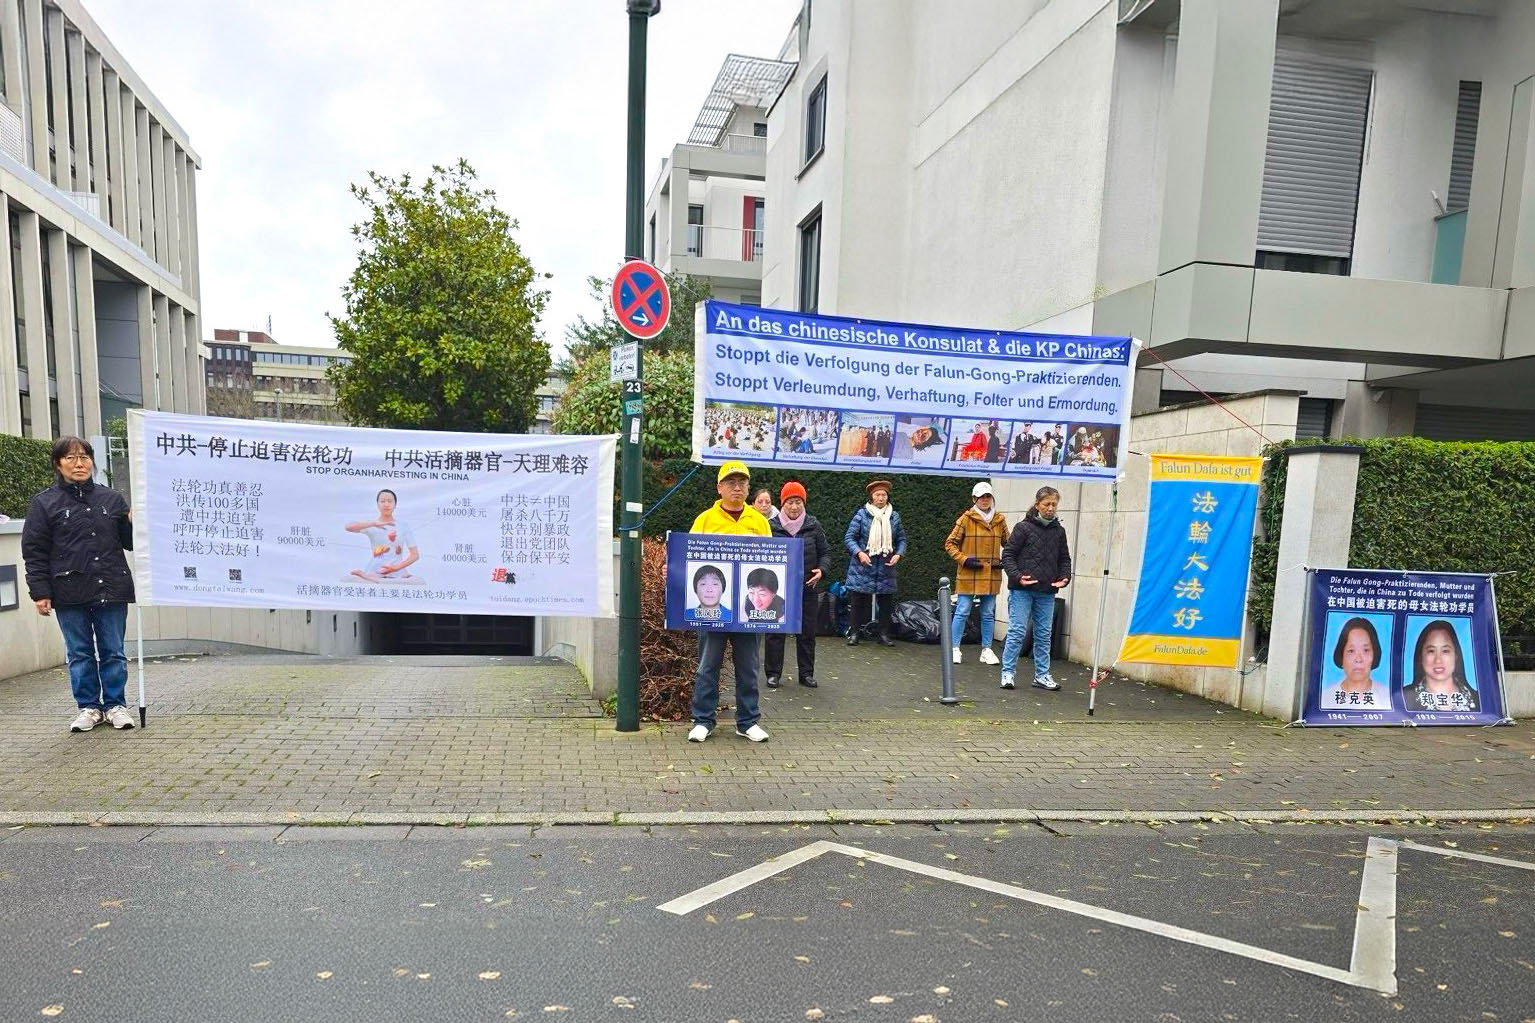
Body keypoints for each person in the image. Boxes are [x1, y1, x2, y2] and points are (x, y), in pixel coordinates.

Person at [22, 436, 137, 732]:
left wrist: (133, 522)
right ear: (58, 463)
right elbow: (34, 552)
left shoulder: (111, 499)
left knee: (113, 651)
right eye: (71, 457)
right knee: (79, 653)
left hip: (111, 586)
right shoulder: (44, 503)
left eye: (84, 457)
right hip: (68, 590)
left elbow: (131, 543)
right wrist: (40, 592)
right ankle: (89, 707)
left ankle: (115, 705)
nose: (79, 463)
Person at [686, 461, 771, 743]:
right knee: (707, 666)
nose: (737, 487)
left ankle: (747, 722)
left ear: (748, 487)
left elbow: (773, 563)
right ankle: (703, 720)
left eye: (742, 482)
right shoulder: (704, 520)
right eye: (731, 482)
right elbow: (688, 559)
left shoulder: (759, 522)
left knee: (748, 667)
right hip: (713, 610)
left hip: (748, 610)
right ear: (719, 487)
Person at [1000, 486, 1071, 690]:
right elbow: (1008, 555)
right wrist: (1017, 576)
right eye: (1047, 504)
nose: (1051, 508)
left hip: (1047, 591)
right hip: (1022, 590)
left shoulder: (1059, 531)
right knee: (1017, 631)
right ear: (1037, 504)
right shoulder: (1023, 528)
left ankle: (1042, 675)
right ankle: (1008, 673)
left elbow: (1064, 559)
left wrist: (1065, 578)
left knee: (1043, 634)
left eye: (1054, 504)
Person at [766, 481, 830, 689]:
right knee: (775, 632)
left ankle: (806, 674)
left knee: (807, 632)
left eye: (798, 502)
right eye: (790, 502)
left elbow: (825, 553)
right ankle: (773, 673)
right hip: (778, 589)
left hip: (807, 588)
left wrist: (822, 570)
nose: (794, 507)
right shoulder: (771, 526)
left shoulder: (813, 525)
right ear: (782, 503)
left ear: (804, 503)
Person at [945, 481, 1008, 666]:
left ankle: (986, 650)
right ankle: (954, 648)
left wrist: (1006, 560)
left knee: (988, 613)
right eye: (981, 497)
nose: (984, 500)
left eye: (987, 496)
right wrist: (964, 559)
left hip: (991, 574)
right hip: (969, 572)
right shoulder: (966, 519)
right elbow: (950, 543)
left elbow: (1010, 544)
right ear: (974, 499)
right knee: (962, 610)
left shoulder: (999, 520)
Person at [844, 479, 906, 647]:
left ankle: (883, 635)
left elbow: (901, 539)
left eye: (883, 495)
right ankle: (854, 633)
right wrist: (859, 553)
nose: (880, 498)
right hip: (863, 565)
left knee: (886, 602)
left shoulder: (894, 516)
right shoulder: (861, 515)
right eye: (877, 495)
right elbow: (849, 538)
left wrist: (898, 554)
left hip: (886, 566)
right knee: (858, 601)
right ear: (871, 497)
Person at [1404, 619, 1479, 712]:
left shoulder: (1477, 700)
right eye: (1431, 651)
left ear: (1456, 655)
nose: (1438, 660)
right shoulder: (1404, 698)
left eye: (1445, 651)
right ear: (1420, 656)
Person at [1319, 617, 1391, 711]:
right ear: (1341, 655)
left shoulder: (1388, 698)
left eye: (1366, 650)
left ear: (1375, 654)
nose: (1358, 659)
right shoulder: (1325, 699)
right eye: (1351, 651)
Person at [346, 489, 419, 582]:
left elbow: (415, 555)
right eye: (383, 501)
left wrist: (395, 568)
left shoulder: (403, 526)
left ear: (395, 505)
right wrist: (373, 523)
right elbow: (348, 527)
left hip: (398, 572)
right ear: (377, 504)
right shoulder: (371, 525)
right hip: (375, 570)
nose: (386, 504)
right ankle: (366, 575)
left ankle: (365, 575)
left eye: (390, 501)